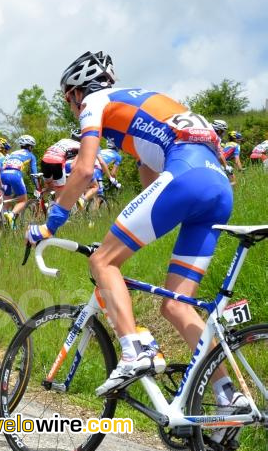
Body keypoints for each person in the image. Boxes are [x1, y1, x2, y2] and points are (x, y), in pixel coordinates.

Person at [27, 52, 240, 428]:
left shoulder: (96, 102)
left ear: (76, 93)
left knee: (103, 261)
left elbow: (83, 169)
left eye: (68, 99)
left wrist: (50, 225)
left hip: (186, 176)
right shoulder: (147, 102)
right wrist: (129, 235)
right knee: (177, 306)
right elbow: (149, 178)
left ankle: (135, 349)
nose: (72, 108)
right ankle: (228, 395)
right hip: (218, 188)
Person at [0, 135, 39, 227]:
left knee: (7, 200)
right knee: (23, 200)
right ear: (30, 147)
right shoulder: (31, 155)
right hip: (15, 175)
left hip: (3, 174)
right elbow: (34, 173)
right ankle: (11, 215)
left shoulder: (13, 153)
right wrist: (37, 185)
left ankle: (6, 222)